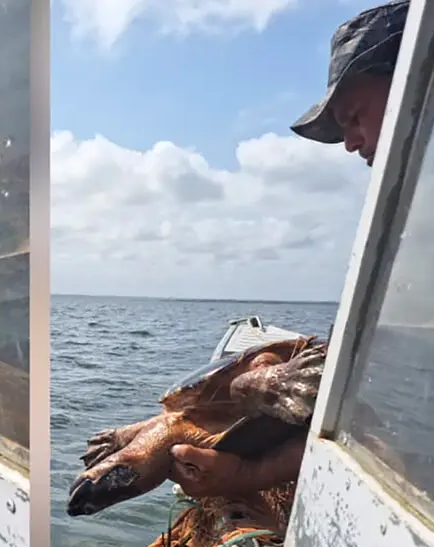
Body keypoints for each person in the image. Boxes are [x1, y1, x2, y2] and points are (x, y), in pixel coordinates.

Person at [169, 0, 409, 498]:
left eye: (354, 117)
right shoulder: (413, 217)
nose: (351, 143)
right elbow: (356, 403)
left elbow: (374, 413)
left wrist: (246, 471)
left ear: (422, 78)